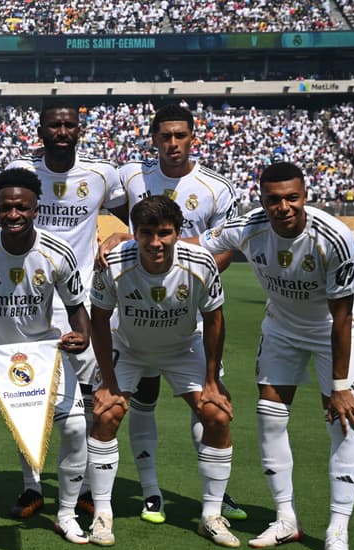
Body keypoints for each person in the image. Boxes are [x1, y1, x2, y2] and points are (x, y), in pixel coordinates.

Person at [199, 161, 354, 550]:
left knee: (343, 419)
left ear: (305, 196)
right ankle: (286, 518)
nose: (284, 207)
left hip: (331, 330)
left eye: (292, 198)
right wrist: (130, 239)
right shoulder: (248, 228)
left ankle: (337, 529)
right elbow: (193, 244)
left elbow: (342, 315)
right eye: (274, 200)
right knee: (269, 417)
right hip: (281, 329)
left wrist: (341, 385)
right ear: (262, 200)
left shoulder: (335, 238)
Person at [100, 103, 245, 523]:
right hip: (137, 314)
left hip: (189, 315)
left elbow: (226, 249)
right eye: (165, 136)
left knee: (208, 405)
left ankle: (216, 497)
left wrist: (181, 279)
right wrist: (121, 240)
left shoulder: (216, 187)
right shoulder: (130, 176)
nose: (173, 143)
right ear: (154, 139)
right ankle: (150, 492)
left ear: (192, 137)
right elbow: (103, 212)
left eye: (180, 135)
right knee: (142, 403)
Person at [87, 195, 236, 548]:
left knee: (217, 414)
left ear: (178, 233)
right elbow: (98, 319)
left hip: (182, 349)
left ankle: (211, 515)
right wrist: (108, 383)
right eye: (147, 233)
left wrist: (212, 381)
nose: (156, 243)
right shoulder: (113, 263)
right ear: (134, 234)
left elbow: (215, 320)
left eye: (165, 233)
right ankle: (102, 515)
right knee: (108, 414)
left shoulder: (201, 262)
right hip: (130, 348)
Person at [0, 167, 92, 544]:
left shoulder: (57, 253)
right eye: (7, 207)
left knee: (77, 427)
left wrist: (82, 334)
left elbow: (78, 308)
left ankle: (66, 514)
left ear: (36, 208)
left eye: (22, 208)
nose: (14, 214)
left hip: (42, 355)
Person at [3, 98, 127, 519]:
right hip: (29, 302)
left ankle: (89, 487)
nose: (61, 131)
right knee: (28, 394)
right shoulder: (21, 170)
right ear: (40, 130)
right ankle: (31, 486)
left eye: (68, 125)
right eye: (53, 125)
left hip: (84, 302)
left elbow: (132, 215)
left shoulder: (100, 174)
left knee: (93, 398)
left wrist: (118, 236)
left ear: (79, 128)